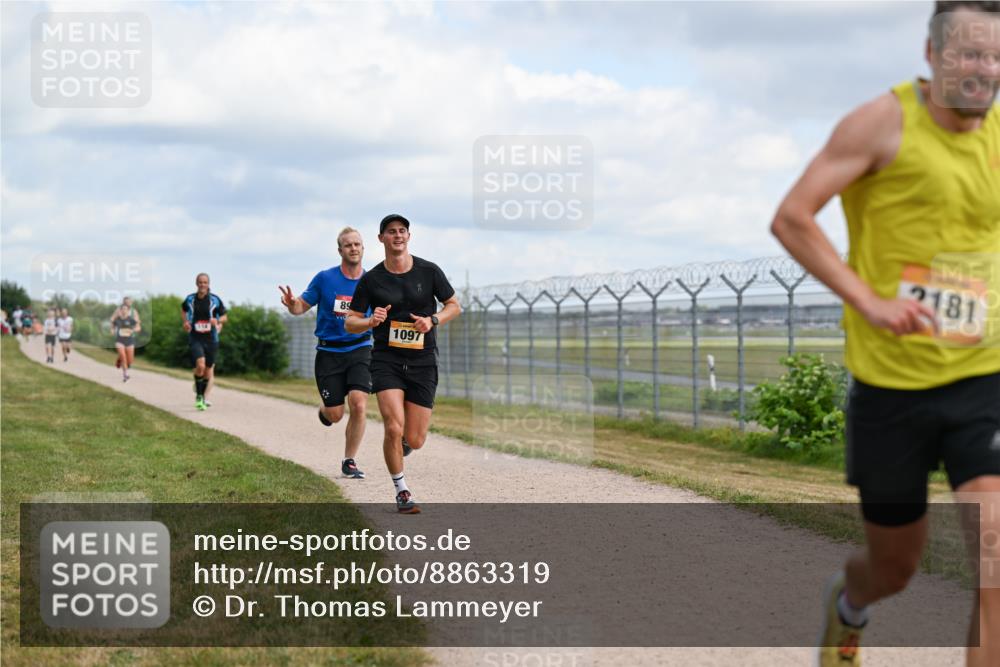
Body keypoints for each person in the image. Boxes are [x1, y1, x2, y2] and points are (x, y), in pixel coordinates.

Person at [771, 3, 1000, 665]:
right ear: (931, 55)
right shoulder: (882, 122)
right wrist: (868, 300)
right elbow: (793, 218)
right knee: (895, 565)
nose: (982, 70)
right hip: (891, 385)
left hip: (982, 375)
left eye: (992, 56)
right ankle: (850, 604)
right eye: (967, 54)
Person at [346, 214, 461, 513]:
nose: (397, 236)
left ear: (408, 236)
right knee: (393, 426)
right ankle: (402, 491)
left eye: (402, 231)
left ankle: (404, 446)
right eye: (391, 232)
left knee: (415, 438)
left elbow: (454, 306)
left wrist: (432, 320)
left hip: (423, 360)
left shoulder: (429, 271)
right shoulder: (371, 279)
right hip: (387, 359)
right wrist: (370, 321)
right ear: (381, 238)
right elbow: (350, 323)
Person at [279, 227, 373, 479]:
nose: (353, 248)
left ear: (363, 248)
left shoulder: (372, 282)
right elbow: (300, 306)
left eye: (357, 244)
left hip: (360, 348)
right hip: (329, 352)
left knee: (359, 403)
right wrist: (292, 304)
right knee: (335, 414)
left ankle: (349, 460)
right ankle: (325, 410)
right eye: (348, 245)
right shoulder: (325, 279)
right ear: (340, 250)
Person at [182, 273, 227, 411]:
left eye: (205, 282)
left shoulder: (215, 300)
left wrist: (217, 321)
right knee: (200, 365)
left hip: (211, 339)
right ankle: (200, 397)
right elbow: (183, 310)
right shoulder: (190, 299)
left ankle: (200, 392)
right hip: (196, 337)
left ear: (208, 284)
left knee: (208, 370)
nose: (202, 285)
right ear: (197, 284)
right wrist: (185, 322)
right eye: (200, 282)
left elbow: (225, 317)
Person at [111, 297, 141, 382]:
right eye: (126, 302)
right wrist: (113, 328)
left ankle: (120, 359)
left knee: (130, 360)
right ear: (123, 302)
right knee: (123, 355)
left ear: (131, 303)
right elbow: (112, 319)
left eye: (129, 302)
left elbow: (138, 323)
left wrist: (135, 328)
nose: (128, 303)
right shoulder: (119, 310)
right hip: (120, 337)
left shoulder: (134, 311)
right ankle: (125, 372)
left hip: (130, 336)